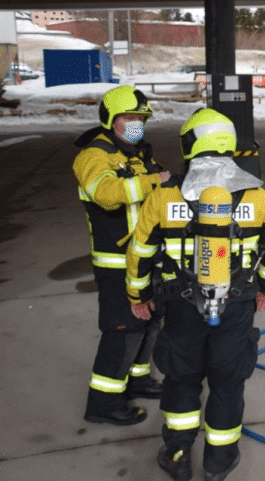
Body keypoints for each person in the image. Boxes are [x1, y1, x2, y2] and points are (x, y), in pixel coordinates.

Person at [126, 108, 265, 481]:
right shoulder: (256, 196)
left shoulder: (164, 196)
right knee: (228, 381)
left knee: (182, 378)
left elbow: (140, 252)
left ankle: (178, 455)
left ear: (190, 144)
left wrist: (138, 295)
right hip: (236, 305)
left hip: (181, 306)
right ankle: (219, 461)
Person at [74, 85, 169, 426]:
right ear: (111, 119)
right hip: (116, 262)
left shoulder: (138, 154)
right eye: (129, 117)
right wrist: (152, 181)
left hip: (146, 258)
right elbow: (106, 193)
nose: (136, 123)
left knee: (150, 322)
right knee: (123, 330)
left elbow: (160, 187)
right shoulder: (93, 156)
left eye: (141, 118)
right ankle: (104, 403)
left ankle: (138, 380)